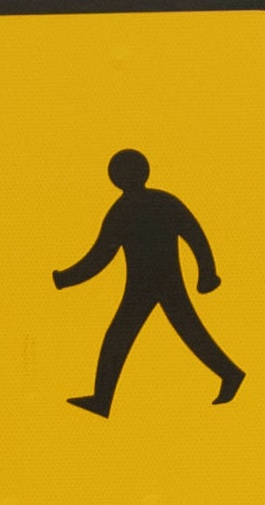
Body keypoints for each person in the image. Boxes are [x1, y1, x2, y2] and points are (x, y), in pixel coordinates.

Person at [51, 147, 240, 414]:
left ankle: (102, 400)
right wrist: (206, 273)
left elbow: (101, 256)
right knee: (182, 333)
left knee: (125, 336)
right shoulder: (160, 202)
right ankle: (229, 374)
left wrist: (66, 279)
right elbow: (194, 236)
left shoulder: (125, 209)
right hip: (151, 284)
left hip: (149, 285)